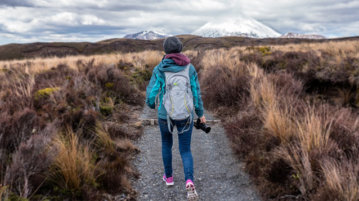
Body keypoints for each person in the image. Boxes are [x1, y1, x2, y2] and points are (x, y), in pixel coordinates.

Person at [146, 36, 206, 201]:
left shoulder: (159, 68)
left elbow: (152, 92)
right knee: (185, 149)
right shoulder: (190, 68)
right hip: (186, 115)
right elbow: (196, 93)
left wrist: (151, 105)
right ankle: (189, 181)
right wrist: (200, 113)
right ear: (180, 49)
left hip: (165, 115)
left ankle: (169, 178)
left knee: (166, 144)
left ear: (165, 50)